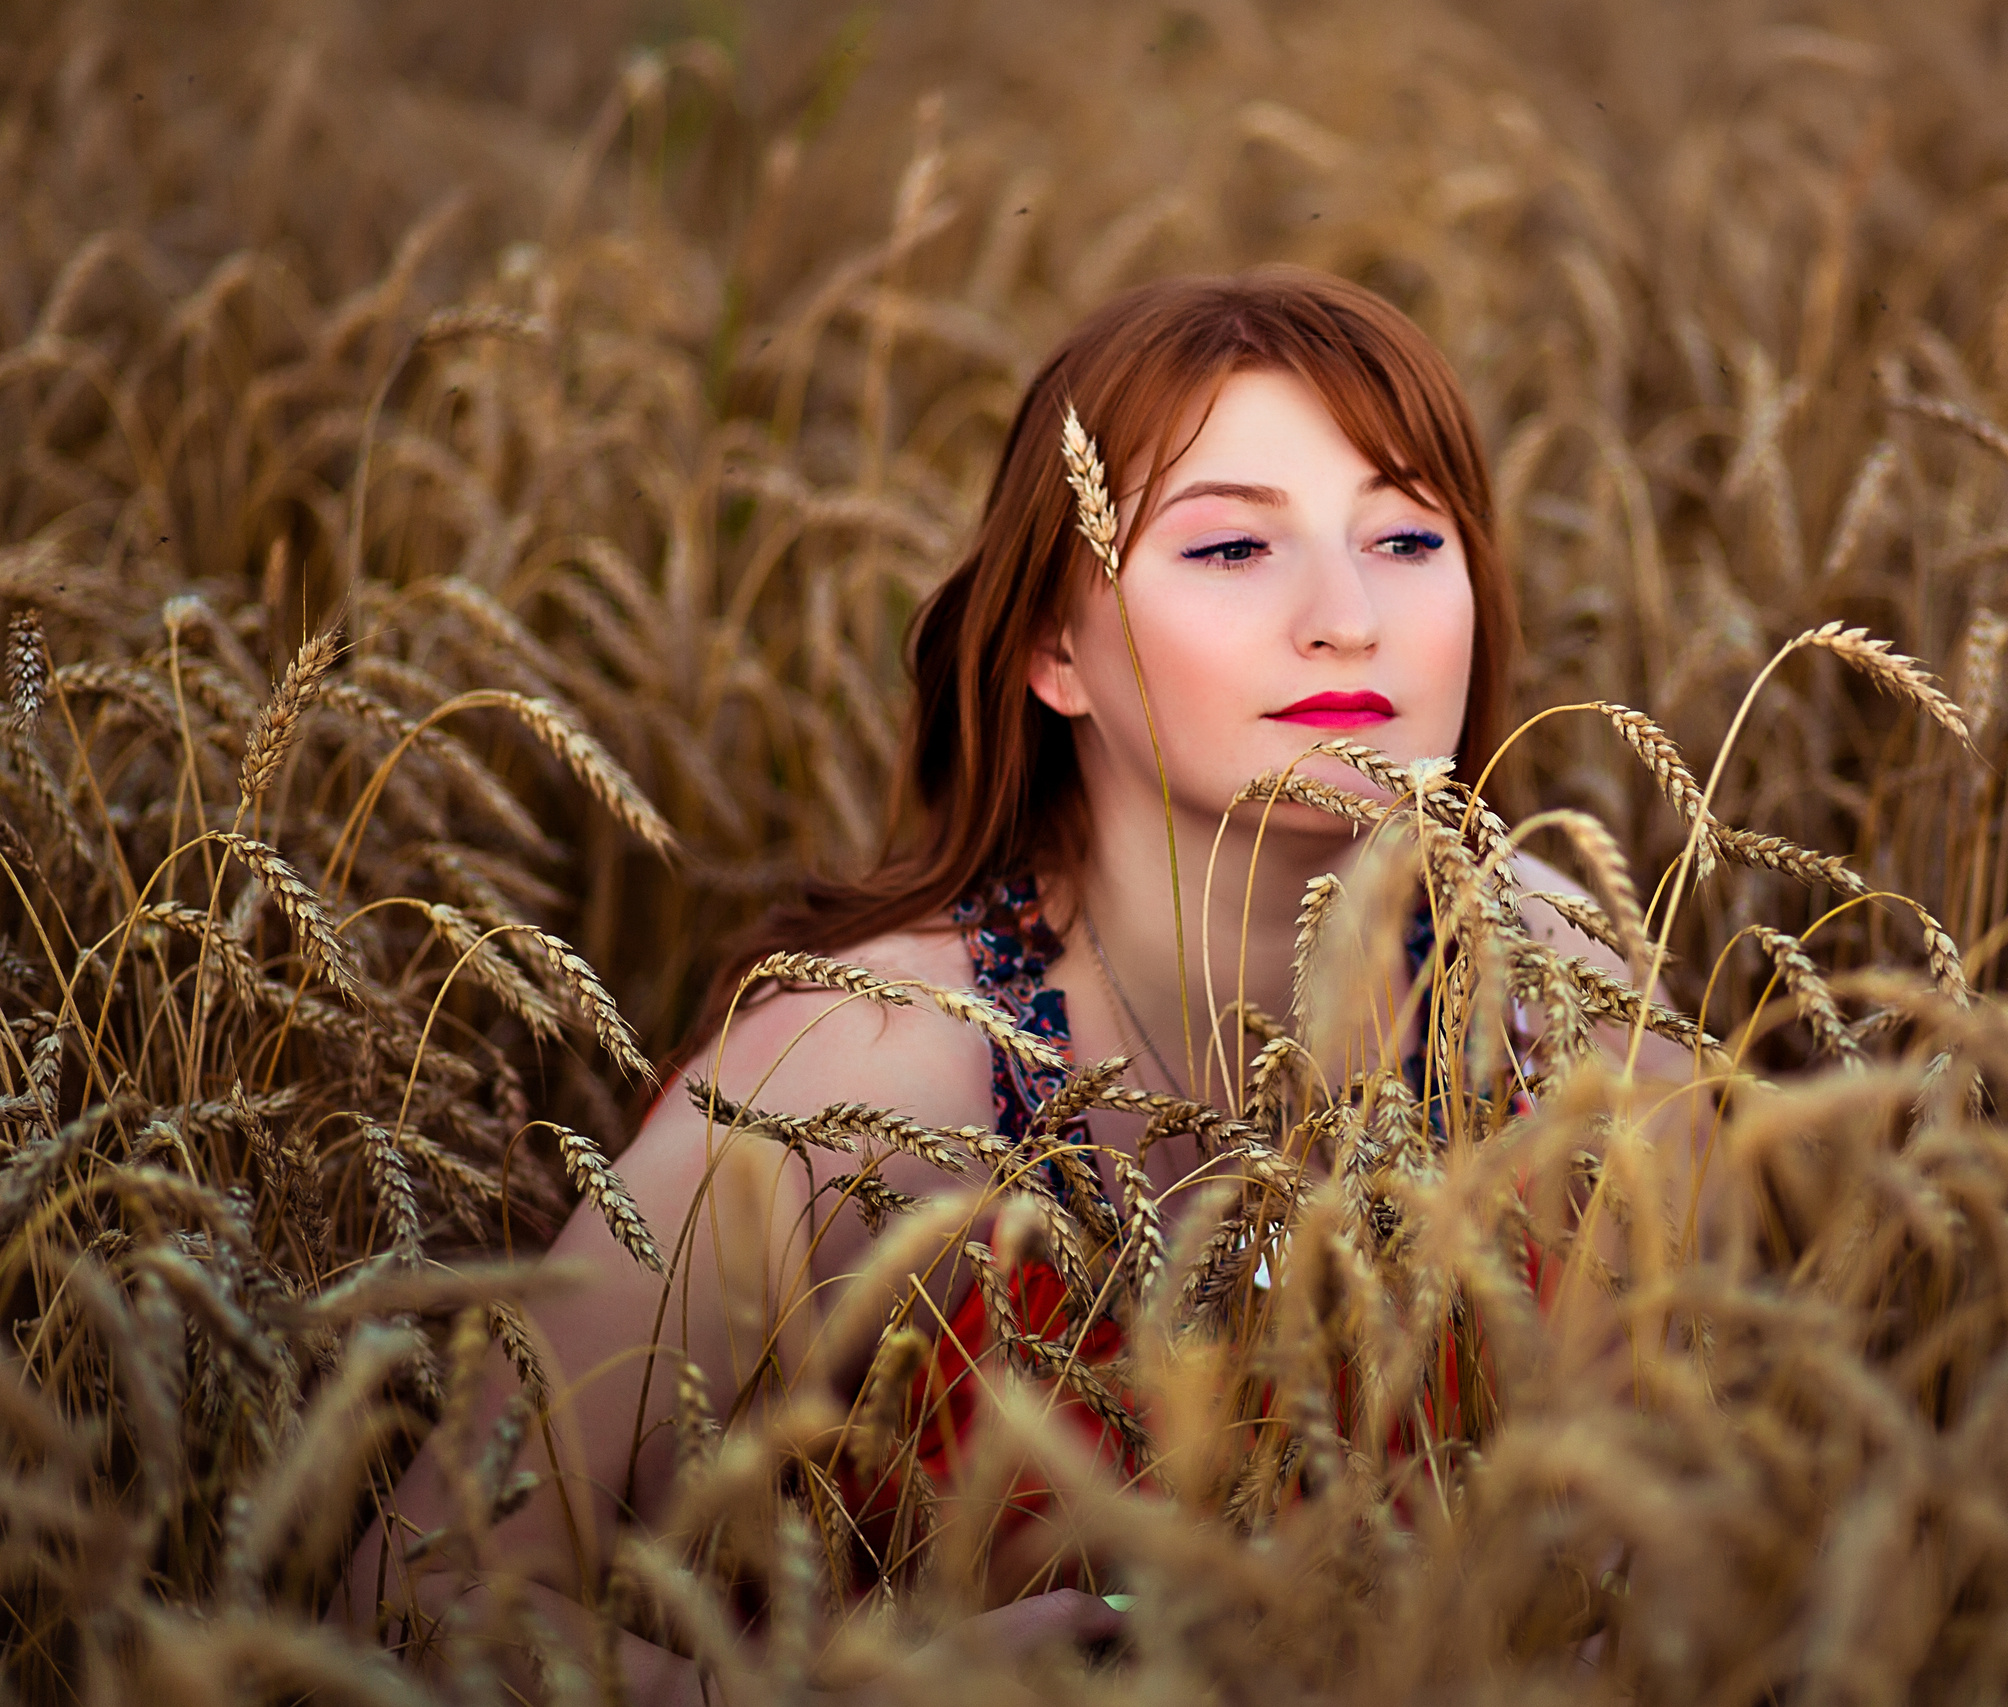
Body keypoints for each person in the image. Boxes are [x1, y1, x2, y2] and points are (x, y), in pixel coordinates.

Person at [343, 265, 1641, 1699]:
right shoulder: (848, 1079)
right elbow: (412, 1604)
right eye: (1228, 551)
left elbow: (1754, 1513)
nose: (1347, 616)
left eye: (1406, 537)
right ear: (1051, 649)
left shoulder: (1551, 987)